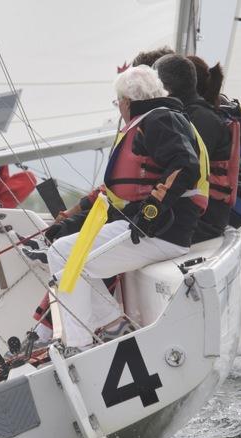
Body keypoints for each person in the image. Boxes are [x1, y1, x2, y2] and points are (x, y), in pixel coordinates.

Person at [45, 65, 206, 352]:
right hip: (153, 230)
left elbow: (185, 165)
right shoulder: (155, 119)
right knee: (61, 251)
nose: (118, 108)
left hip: (160, 232)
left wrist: (150, 213)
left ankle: (80, 345)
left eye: (117, 102)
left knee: (67, 255)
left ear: (127, 101)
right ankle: (111, 326)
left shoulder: (159, 120)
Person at [154, 54, 234, 242]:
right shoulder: (187, 115)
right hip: (186, 214)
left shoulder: (201, 119)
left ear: (165, 88)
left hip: (201, 221)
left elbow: (185, 172)